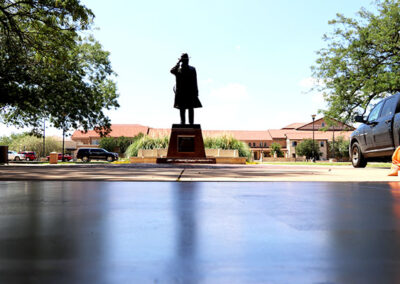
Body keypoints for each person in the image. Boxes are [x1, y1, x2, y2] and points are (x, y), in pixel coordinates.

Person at [170, 53, 202, 125]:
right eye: (184, 60)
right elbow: (171, 71)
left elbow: (195, 81)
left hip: (190, 92)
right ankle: (182, 122)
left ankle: (191, 123)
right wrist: (178, 63)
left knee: (191, 108)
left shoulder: (192, 69)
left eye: (187, 59)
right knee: (182, 108)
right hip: (181, 93)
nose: (186, 61)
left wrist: (196, 92)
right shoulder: (178, 69)